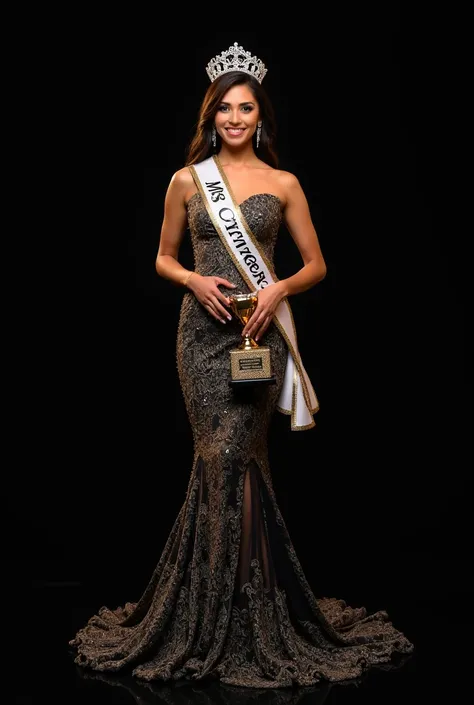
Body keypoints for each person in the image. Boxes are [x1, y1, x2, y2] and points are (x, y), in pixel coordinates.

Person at [69, 42, 414, 688]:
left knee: (242, 458)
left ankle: (244, 611)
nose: (234, 118)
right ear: (213, 115)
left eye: (245, 107)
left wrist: (279, 288)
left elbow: (316, 264)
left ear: (261, 115)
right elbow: (162, 257)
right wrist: (194, 282)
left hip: (258, 338)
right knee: (215, 457)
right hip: (200, 339)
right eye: (224, 108)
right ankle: (211, 614)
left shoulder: (284, 184)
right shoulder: (187, 179)